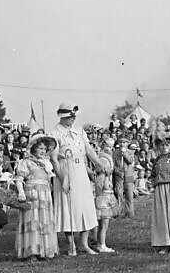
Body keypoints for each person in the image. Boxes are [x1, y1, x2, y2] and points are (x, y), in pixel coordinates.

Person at [49, 102, 103, 256]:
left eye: (74, 117)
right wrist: (62, 179)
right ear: (62, 116)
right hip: (65, 171)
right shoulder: (54, 133)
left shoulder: (79, 130)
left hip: (81, 172)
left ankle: (84, 244)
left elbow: (88, 150)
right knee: (68, 208)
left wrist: (98, 163)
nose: (72, 119)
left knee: (85, 206)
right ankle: (71, 245)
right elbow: (54, 160)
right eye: (69, 117)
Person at [14, 134, 59, 260]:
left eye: (44, 149)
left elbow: (50, 179)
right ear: (33, 149)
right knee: (33, 221)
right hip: (32, 193)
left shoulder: (46, 163)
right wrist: (21, 192)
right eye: (40, 148)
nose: (42, 151)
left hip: (44, 194)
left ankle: (45, 250)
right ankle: (32, 251)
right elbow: (19, 179)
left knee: (44, 220)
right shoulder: (25, 162)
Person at [92, 144, 118, 253]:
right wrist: (107, 178)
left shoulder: (98, 177)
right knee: (104, 226)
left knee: (102, 226)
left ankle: (99, 243)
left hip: (102, 201)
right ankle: (102, 244)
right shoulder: (103, 178)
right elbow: (106, 187)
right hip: (104, 204)